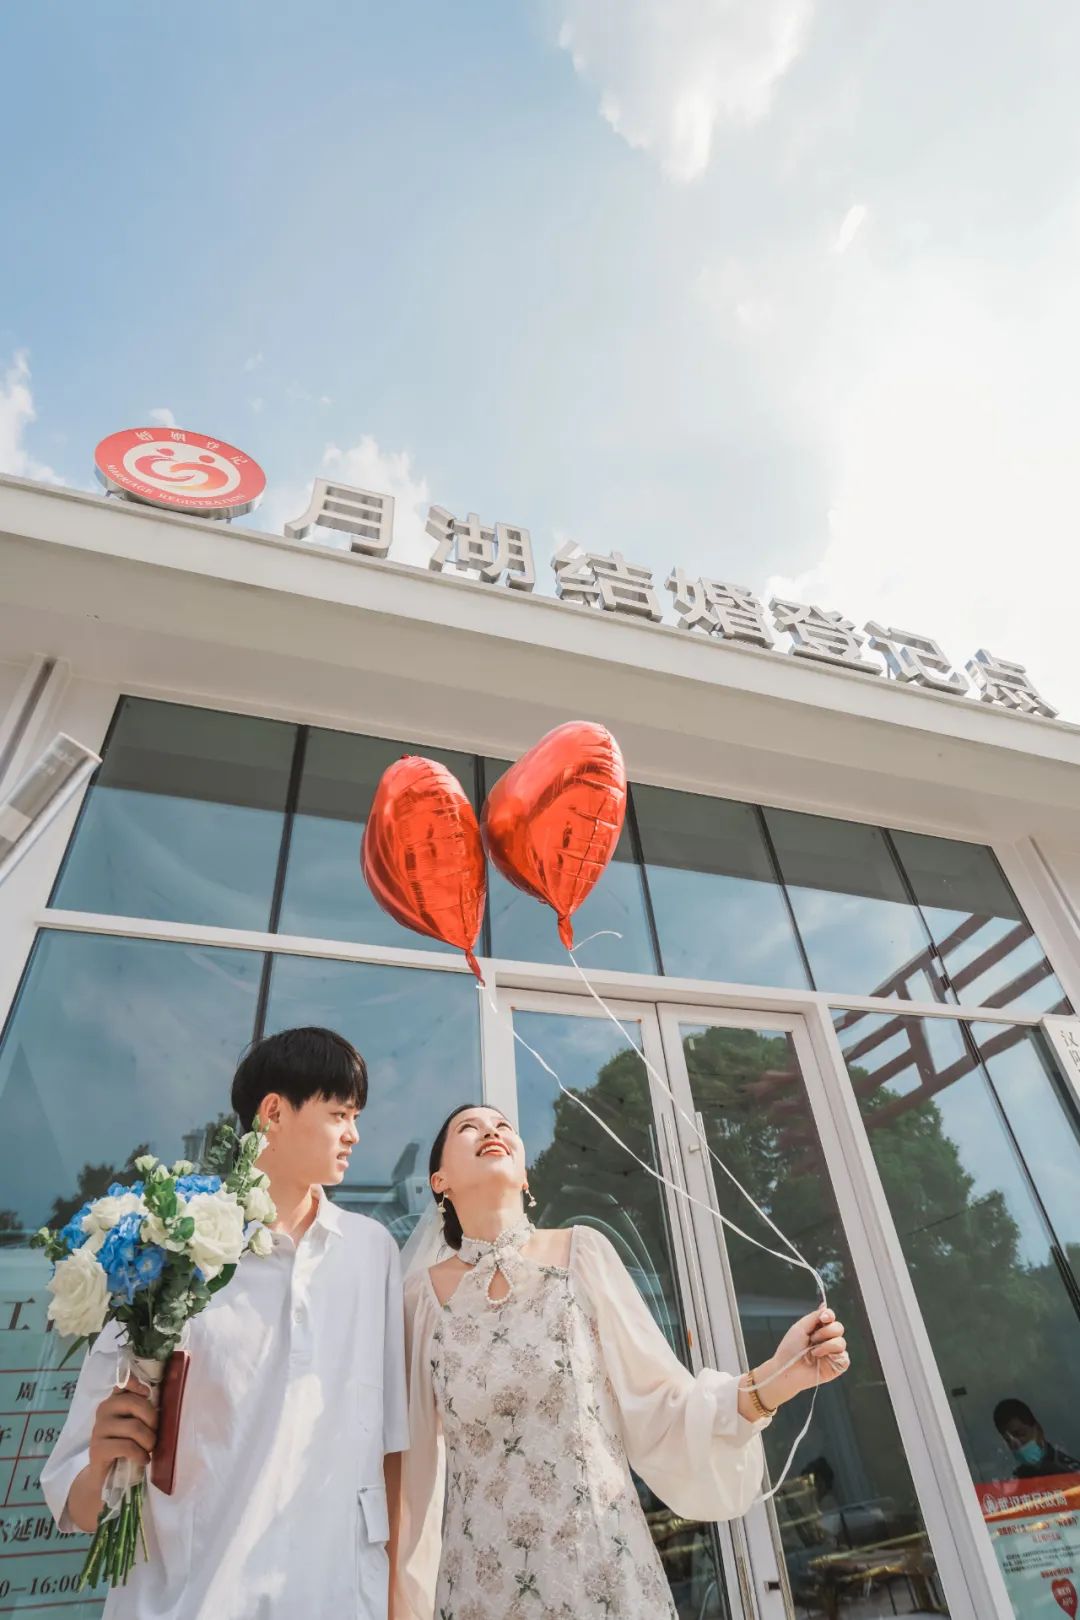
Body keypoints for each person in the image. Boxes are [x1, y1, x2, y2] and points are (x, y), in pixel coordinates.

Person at [395, 1102, 850, 1620]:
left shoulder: (582, 1254)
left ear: (524, 1176)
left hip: (603, 1570)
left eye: (503, 1126)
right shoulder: (419, 1301)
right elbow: (409, 1477)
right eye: (469, 1127)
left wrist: (780, 1376)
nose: (492, 1131)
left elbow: (662, 1403)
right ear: (439, 1182)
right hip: (480, 1586)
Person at [41, 1026, 408, 1619]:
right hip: (190, 1600)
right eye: (340, 1114)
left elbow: (391, 1447)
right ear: (273, 1113)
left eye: (356, 1117)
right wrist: (108, 1456)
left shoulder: (371, 1252)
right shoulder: (168, 1249)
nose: (354, 1134)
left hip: (336, 1595)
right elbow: (77, 1502)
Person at [994, 1398, 1080, 1479]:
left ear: (1038, 1430)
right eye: (1008, 1440)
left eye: (1020, 1434)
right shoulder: (1017, 1477)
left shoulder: (1068, 1470)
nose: (1015, 1444)